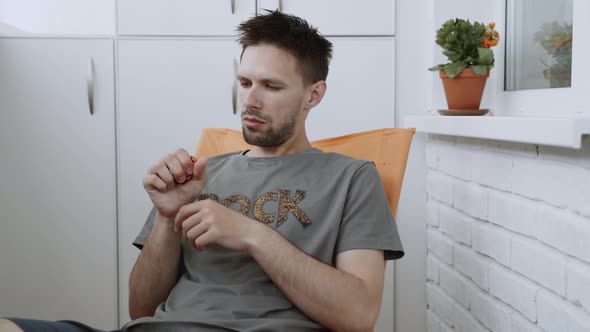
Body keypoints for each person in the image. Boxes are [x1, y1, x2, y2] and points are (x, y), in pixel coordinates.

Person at [1, 10, 403, 332]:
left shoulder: (353, 178)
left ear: (313, 95)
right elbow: (141, 308)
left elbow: (358, 316)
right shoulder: (199, 174)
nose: (250, 100)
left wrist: (250, 234)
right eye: (244, 82)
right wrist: (166, 216)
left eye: (271, 87)